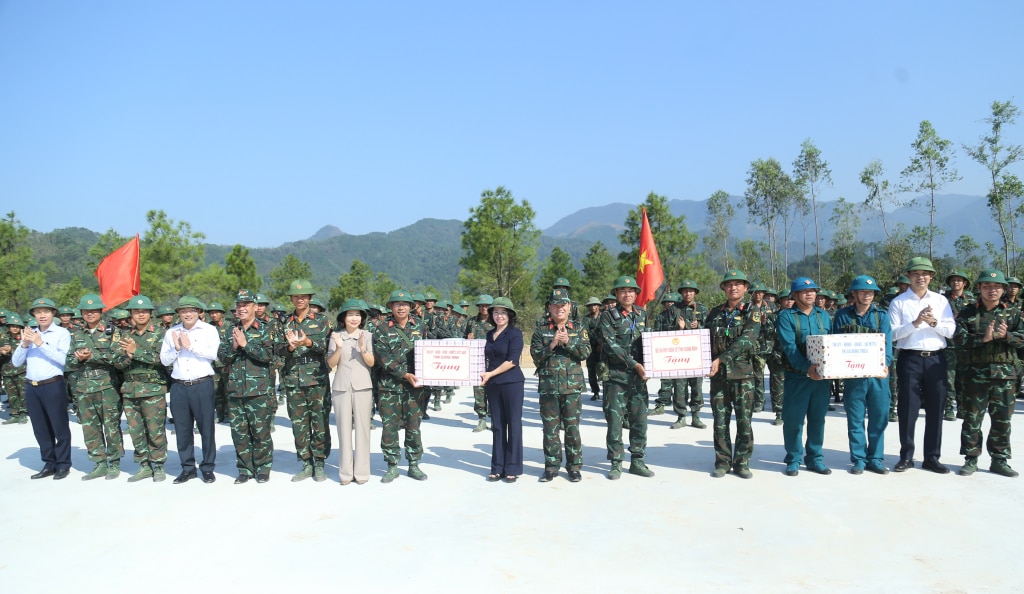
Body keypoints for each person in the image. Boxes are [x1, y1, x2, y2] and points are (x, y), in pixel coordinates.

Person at [888, 257, 956, 474]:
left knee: (937, 409)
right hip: (910, 358)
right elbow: (893, 334)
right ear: (908, 276)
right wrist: (916, 323)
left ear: (931, 277)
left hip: (936, 359)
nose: (921, 277)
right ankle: (906, 456)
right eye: (916, 274)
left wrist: (933, 322)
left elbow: (951, 331)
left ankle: (932, 457)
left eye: (925, 274)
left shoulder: (940, 301)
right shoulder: (898, 302)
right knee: (908, 408)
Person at [953, 270, 1023, 477]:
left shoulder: (1014, 313)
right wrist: (982, 339)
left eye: (997, 287)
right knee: (972, 418)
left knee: (1002, 419)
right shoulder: (967, 313)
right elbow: (958, 340)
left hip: (1005, 376)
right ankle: (971, 459)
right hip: (975, 375)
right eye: (987, 287)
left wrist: (1006, 335)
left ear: (1003, 290)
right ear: (979, 289)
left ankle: (999, 460)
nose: (992, 290)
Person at [831, 276, 892, 475]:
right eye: (863, 292)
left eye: (871, 292)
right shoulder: (842, 315)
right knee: (855, 419)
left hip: (877, 376)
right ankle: (858, 459)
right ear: (854, 294)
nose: (868, 295)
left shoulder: (881, 315)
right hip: (853, 376)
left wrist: (886, 364)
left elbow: (887, 342)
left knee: (878, 418)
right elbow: (835, 343)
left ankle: (875, 458)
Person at [704, 270, 761, 478]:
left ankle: (742, 462)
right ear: (723, 288)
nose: (733, 288)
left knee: (744, 421)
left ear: (746, 288)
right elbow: (703, 342)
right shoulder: (714, 313)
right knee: (720, 421)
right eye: (729, 284)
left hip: (742, 376)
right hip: (718, 377)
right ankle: (722, 461)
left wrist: (721, 359)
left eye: (738, 284)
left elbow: (746, 340)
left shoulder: (751, 312)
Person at [530, 289, 591, 483]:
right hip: (549, 387)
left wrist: (568, 342)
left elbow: (585, 353)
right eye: (555, 305)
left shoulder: (579, 328)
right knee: (550, 429)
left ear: (569, 306)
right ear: (549, 307)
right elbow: (536, 355)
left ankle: (574, 467)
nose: (559, 308)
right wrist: (553, 344)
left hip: (571, 387)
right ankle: (551, 466)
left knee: (572, 429)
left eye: (563, 304)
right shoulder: (541, 329)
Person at [160, 295, 221, 484]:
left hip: (202, 384)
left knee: (206, 428)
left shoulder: (209, 330)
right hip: (179, 386)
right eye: (183, 311)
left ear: (199, 312)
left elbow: (215, 354)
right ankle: (187, 468)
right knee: (182, 429)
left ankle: (208, 467)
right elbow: (164, 360)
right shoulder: (172, 332)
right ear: (178, 313)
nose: (188, 314)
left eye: (192, 310)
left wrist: (191, 346)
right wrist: (177, 348)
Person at [598, 275, 653, 480]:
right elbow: (611, 346)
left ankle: (637, 460)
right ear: (616, 294)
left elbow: (649, 342)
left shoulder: (641, 314)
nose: (627, 294)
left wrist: (652, 366)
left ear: (636, 294)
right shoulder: (608, 316)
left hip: (639, 379)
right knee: (615, 420)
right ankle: (616, 462)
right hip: (616, 377)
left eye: (631, 291)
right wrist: (634, 364)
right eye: (622, 291)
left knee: (640, 420)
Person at [275, 280, 331, 482]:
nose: (300, 299)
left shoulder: (322, 320)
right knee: (299, 424)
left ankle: (320, 463)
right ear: (291, 298)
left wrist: (309, 342)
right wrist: (289, 347)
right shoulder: (284, 323)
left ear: (310, 298)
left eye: (304, 296)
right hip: (293, 378)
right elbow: (278, 352)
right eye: (296, 296)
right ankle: (306, 463)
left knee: (320, 422)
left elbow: (327, 347)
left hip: (316, 378)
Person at [777, 277, 833, 476]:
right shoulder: (786, 317)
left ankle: (815, 458)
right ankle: (793, 459)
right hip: (797, 377)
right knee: (793, 420)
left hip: (821, 379)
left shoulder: (824, 316)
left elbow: (832, 344)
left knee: (818, 419)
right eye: (804, 291)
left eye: (813, 291)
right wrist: (806, 368)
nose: (810, 294)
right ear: (794, 295)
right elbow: (790, 347)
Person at [11, 298, 73, 479]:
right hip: (32, 386)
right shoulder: (30, 333)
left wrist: (40, 343)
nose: (42, 315)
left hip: (52, 384)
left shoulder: (61, 333)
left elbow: (64, 360)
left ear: (53, 313)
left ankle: (63, 464)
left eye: (46, 311)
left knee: (58, 425)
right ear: (34, 315)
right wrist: (24, 344)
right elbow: (15, 362)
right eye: (38, 312)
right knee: (40, 427)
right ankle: (49, 463)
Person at [65, 294, 125, 480]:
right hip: (83, 387)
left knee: (111, 426)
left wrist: (91, 357)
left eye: (93, 311)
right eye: (86, 311)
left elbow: (117, 358)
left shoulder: (112, 331)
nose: (89, 314)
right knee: (90, 428)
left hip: (107, 386)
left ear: (100, 312)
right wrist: (77, 359)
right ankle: (99, 462)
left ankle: (114, 462)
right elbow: (68, 362)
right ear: (81, 313)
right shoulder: (76, 334)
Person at [219, 290, 275, 484]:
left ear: (254, 307)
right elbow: (222, 357)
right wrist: (234, 346)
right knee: (239, 433)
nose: (242, 308)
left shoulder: (265, 329)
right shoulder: (230, 330)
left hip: (258, 390)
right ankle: (245, 469)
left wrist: (246, 344)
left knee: (260, 432)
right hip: (235, 390)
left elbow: (269, 356)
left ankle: (263, 468)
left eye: (246, 305)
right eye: (239, 305)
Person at [112, 296, 171, 482]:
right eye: (137, 312)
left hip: (153, 389)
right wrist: (128, 355)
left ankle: (159, 464)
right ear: (131, 314)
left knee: (155, 430)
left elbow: (162, 359)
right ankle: (144, 465)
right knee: (136, 430)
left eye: (144, 311)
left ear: (150, 313)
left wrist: (135, 351)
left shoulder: (161, 333)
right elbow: (116, 362)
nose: (140, 314)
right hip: (130, 390)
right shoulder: (123, 335)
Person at [375, 290, 428, 482]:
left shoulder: (420, 326)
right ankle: (391, 465)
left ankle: (413, 464)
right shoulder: (381, 328)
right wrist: (403, 374)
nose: (401, 307)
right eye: (396, 303)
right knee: (389, 427)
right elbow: (382, 357)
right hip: (390, 387)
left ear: (411, 307)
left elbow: (429, 352)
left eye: (405, 304)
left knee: (414, 427)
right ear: (391, 307)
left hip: (415, 388)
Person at [327, 299, 375, 485]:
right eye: (350, 315)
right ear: (343, 318)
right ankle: (345, 473)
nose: (354, 318)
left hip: (363, 385)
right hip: (341, 386)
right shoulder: (336, 336)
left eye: (357, 315)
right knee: (343, 430)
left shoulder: (367, 335)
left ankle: (362, 473)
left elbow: (371, 363)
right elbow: (331, 364)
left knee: (363, 430)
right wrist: (338, 347)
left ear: (362, 318)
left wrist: (362, 349)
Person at [480, 297, 526, 483]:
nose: (499, 316)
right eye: (496, 312)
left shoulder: (515, 334)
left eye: (503, 312)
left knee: (513, 424)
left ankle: (512, 468)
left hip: (511, 383)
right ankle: (497, 467)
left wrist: (491, 374)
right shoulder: (489, 335)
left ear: (510, 315)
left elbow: (512, 361)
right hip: (493, 385)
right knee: (497, 426)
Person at [944, 269, 972, 421]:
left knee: (963, 378)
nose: (956, 282)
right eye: (953, 280)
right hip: (948, 344)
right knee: (948, 379)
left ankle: (962, 408)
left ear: (964, 283)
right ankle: (948, 409)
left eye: (959, 280)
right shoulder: (942, 300)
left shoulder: (972, 300)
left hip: (965, 345)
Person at [465, 294, 494, 432]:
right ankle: (481, 418)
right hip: (477, 361)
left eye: (487, 306)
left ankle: (495, 419)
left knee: (494, 391)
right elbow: (464, 338)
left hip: (494, 362)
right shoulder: (472, 322)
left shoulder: (496, 321)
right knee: (479, 391)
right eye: (482, 305)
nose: (484, 308)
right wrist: (468, 340)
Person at [1, 313, 28, 424]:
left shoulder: (24, 338)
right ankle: (14, 413)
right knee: (11, 393)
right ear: (8, 327)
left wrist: (11, 349)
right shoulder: (3, 337)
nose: (15, 328)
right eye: (12, 326)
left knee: (22, 392)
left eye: (17, 326)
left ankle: (23, 413)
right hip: (6, 370)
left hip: (21, 370)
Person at [583, 297, 604, 401]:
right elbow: (584, 333)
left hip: (603, 349)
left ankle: (607, 392)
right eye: (590, 305)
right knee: (591, 372)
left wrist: (602, 342)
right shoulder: (586, 319)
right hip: (591, 348)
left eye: (595, 305)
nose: (593, 307)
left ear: (599, 306)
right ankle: (595, 392)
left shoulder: (604, 317)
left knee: (604, 370)